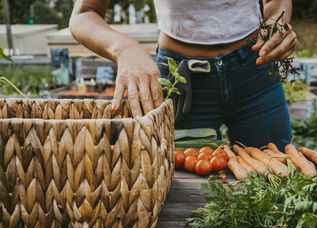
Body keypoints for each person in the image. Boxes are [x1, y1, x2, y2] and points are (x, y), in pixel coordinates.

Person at [69, 0, 297, 150]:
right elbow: (83, 15)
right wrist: (124, 48)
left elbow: (277, 3)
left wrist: (277, 22)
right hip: (181, 84)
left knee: (275, 178)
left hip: (255, 71)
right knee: (184, 198)